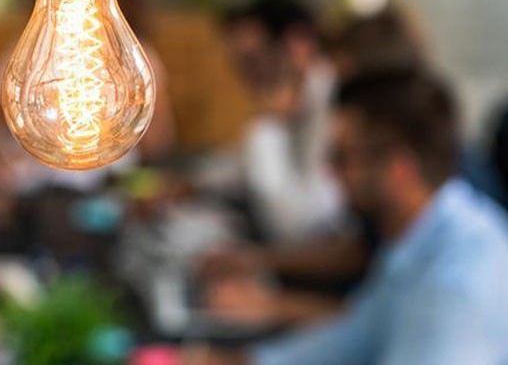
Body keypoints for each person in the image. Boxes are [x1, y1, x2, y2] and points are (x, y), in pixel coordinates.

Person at [191, 68, 508, 365]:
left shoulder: (457, 286)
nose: (329, 171)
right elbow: (353, 336)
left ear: (400, 170)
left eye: (343, 157)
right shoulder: (421, 240)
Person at [224, 0, 342, 243]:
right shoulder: (301, 105)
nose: (248, 78)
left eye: (253, 60)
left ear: (297, 45)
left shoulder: (337, 106)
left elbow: (292, 224)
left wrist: (268, 124)